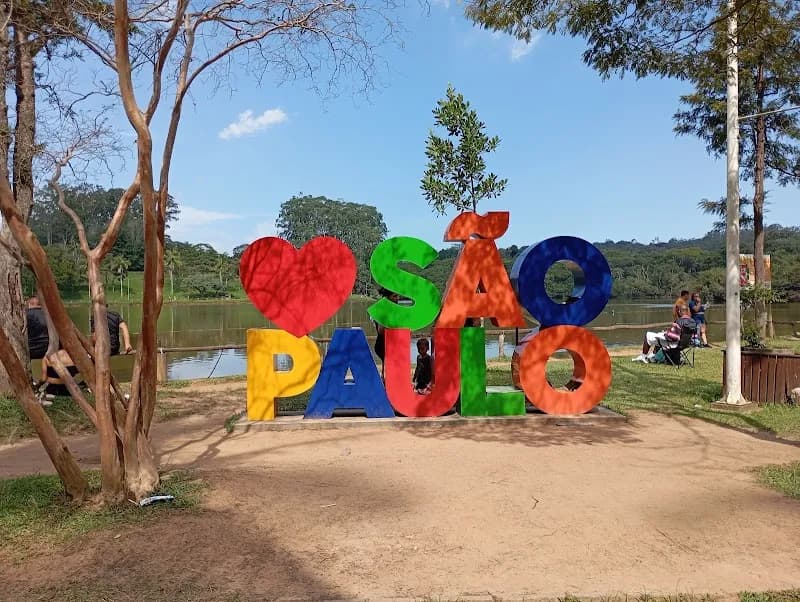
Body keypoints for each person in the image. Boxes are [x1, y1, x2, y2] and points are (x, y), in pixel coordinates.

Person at [372, 288, 400, 378]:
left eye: (398, 296)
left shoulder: (392, 310)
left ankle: (385, 380)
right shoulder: (383, 311)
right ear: (388, 298)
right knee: (387, 366)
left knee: (388, 367)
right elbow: (381, 331)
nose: (398, 298)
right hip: (383, 343)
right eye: (395, 296)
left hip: (389, 344)